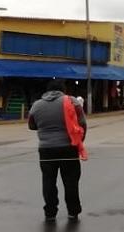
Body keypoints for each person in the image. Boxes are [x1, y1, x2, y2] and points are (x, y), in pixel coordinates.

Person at [28, 79, 87, 221]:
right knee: (71, 181)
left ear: (47, 90)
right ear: (63, 89)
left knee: (48, 181)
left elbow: (31, 125)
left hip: (46, 149)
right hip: (68, 147)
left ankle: (50, 212)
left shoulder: (37, 105)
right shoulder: (72, 101)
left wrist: (45, 127)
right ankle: (73, 211)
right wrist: (79, 142)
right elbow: (82, 123)